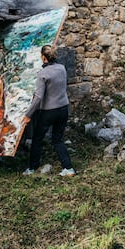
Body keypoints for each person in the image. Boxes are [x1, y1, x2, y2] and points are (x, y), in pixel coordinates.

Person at [22, 45, 75, 177]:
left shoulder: (43, 74)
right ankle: (68, 168)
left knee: (37, 139)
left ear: (43, 58)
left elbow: (38, 97)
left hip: (49, 112)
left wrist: (28, 115)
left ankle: (32, 168)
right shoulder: (62, 68)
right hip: (63, 108)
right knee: (57, 139)